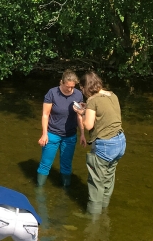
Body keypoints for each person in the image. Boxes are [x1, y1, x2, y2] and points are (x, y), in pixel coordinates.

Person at [73, 71, 126, 214]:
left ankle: (92, 220)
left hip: (105, 145)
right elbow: (105, 116)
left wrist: (81, 113)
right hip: (120, 142)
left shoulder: (93, 100)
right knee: (108, 178)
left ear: (86, 86)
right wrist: (87, 111)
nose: (82, 92)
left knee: (96, 183)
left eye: (81, 88)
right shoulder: (112, 95)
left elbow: (89, 125)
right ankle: (104, 210)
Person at [36, 70, 85, 187]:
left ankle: (65, 190)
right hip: (52, 134)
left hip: (70, 135)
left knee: (66, 165)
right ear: (61, 82)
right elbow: (45, 114)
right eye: (68, 86)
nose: (70, 89)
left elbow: (79, 115)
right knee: (45, 163)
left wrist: (82, 133)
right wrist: (44, 134)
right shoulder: (52, 93)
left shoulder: (78, 94)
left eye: (72, 87)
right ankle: (39, 190)